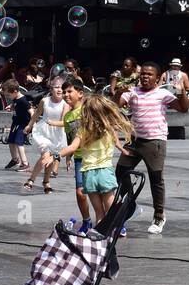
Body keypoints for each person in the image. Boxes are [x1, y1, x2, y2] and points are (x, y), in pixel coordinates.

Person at [116, 62, 189, 235]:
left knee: (156, 179)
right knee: (120, 172)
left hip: (155, 141)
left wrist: (181, 91)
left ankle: (159, 216)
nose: (145, 77)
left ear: (157, 79)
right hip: (134, 141)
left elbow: (184, 109)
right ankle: (131, 205)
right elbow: (117, 104)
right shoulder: (133, 92)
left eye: (149, 74)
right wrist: (120, 92)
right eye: (142, 74)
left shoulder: (163, 94)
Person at [61, 94, 132, 234]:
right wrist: (123, 149)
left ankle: (100, 237)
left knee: (99, 213)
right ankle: (115, 231)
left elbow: (72, 147)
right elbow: (116, 140)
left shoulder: (83, 131)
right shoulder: (108, 128)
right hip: (105, 173)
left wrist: (56, 155)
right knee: (111, 210)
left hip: (89, 174)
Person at [23, 80, 69, 194]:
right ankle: (31, 180)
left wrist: (52, 123)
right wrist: (29, 125)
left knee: (51, 159)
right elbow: (36, 114)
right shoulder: (45, 101)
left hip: (57, 133)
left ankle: (46, 181)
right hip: (43, 131)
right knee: (45, 156)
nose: (59, 90)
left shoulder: (65, 104)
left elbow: (63, 122)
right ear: (51, 89)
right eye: (56, 87)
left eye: (61, 88)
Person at [61, 81, 94, 228]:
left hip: (94, 156)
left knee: (100, 192)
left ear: (80, 93)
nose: (66, 95)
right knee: (80, 193)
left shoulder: (88, 110)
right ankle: (86, 221)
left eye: (69, 91)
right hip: (79, 157)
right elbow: (70, 137)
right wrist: (68, 156)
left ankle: (112, 220)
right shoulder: (67, 117)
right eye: (64, 92)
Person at [1, 79, 31, 171]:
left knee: (19, 142)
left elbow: (32, 112)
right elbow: (15, 103)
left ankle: (25, 163)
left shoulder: (23, 100)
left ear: (14, 91)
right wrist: (11, 106)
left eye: (8, 95)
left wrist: (31, 125)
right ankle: (15, 160)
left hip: (23, 124)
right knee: (11, 141)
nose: (8, 97)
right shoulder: (16, 98)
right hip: (16, 122)